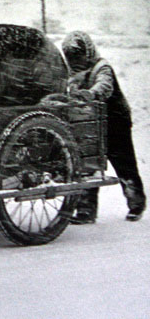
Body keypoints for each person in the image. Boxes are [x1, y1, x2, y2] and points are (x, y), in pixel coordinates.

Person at [61, 31, 146, 223]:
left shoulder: (102, 67)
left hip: (115, 121)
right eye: (71, 57)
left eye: (78, 55)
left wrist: (91, 94)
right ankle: (86, 211)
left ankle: (136, 204)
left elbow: (104, 86)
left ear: (87, 52)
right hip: (89, 123)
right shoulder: (72, 73)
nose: (75, 60)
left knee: (124, 163)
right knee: (88, 165)